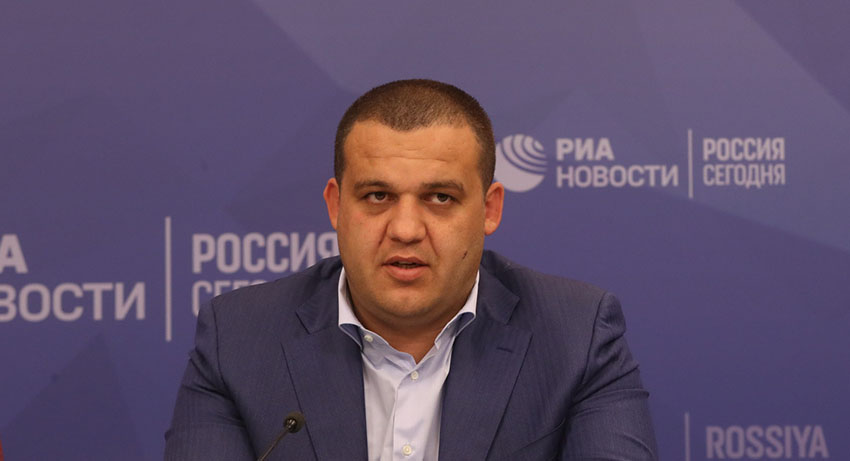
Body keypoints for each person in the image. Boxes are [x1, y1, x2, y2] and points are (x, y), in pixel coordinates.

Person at [165, 79, 657, 460]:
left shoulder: (576, 337)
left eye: (439, 198)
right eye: (377, 196)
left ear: (489, 210)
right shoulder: (239, 338)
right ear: (336, 206)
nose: (404, 229)